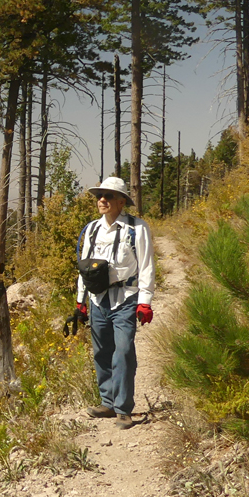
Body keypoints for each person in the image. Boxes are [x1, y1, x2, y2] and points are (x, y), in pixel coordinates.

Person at [74, 177, 155, 429]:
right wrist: (80, 301)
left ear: (121, 202)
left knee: (123, 351)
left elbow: (147, 266)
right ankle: (107, 402)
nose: (102, 200)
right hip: (98, 299)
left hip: (126, 299)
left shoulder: (137, 228)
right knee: (101, 351)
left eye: (108, 196)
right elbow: (84, 268)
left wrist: (145, 301)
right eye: (100, 196)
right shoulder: (91, 229)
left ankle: (122, 408)